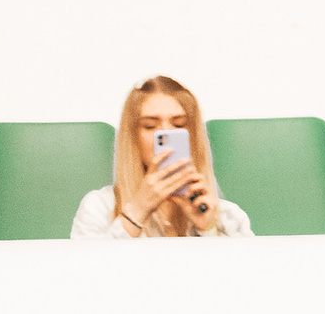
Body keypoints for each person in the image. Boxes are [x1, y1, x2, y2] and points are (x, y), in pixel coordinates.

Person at [72, 76, 253, 239]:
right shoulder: (99, 207)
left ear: (194, 137)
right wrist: (136, 212)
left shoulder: (227, 216)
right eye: (150, 126)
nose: (165, 132)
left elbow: (245, 273)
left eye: (179, 124)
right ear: (132, 137)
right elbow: (85, 272)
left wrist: (209, 230)